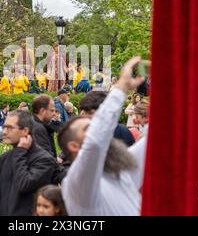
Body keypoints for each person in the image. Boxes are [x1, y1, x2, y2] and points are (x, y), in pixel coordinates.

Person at [58, 57, 147, 216]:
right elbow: (95, 142)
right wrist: (121, 88)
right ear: (74, 146)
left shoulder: (118, 172)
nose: (95, 128)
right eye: (87, 128)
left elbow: (150, 143)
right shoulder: (76, 183)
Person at [0, 110, 55, 216]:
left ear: (25, 131)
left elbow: (24, 184)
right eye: (4, 127)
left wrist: (19, 152)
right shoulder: (4, 158)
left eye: (9, 128)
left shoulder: (44, 160)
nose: (4, 132)